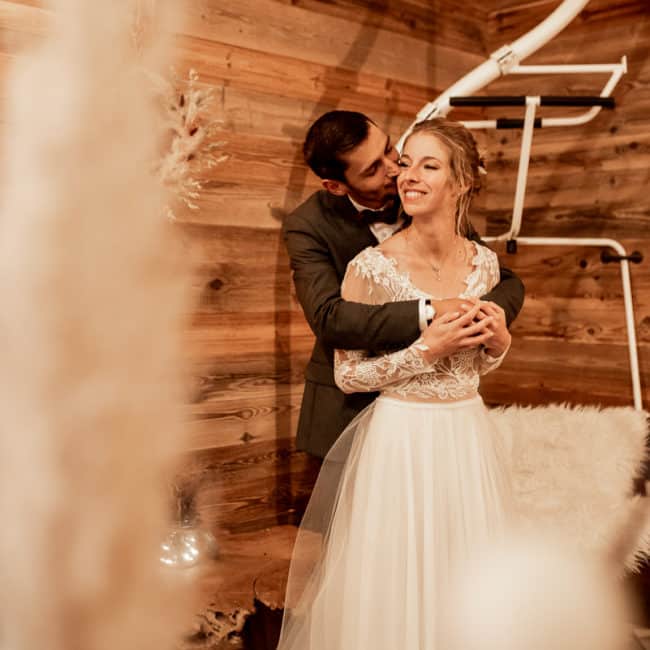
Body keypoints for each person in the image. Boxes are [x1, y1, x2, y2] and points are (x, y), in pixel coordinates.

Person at [276, 118, 514, 650]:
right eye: (385, 166)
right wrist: (429, 332)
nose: (396, 173)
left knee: (468, 565)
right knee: (386, 573)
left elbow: (479, 348)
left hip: (466, 437)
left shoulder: (480, 256)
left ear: (462, 183)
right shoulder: (329, 239)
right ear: (338, 185)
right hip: (395, 435)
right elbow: (334, 325)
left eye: (400, 157)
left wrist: (497, 339)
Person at [283, 110, 524, 458]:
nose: (395, 170)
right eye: (373, 169)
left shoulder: (430, 193)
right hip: (348, 407)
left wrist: (488, 324)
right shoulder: (308, 225)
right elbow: (329, 318)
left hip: (450, 419)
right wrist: (431, 312)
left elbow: (501, 278)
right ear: (336, 186)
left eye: (390, 149)